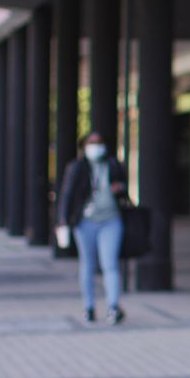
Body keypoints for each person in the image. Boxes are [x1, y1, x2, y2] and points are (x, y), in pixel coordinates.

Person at [57, 132, 127, 325]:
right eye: (91, 143)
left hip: (111, 220)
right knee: (87, 265)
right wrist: (62, 220)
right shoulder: (77, 168)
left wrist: (119, 188)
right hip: (85, 222)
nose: (96, 147)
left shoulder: (113, 165)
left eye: (99, 143)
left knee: (110, 264)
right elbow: (67, 195)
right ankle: (89, 307)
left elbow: (125, 190)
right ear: (84, 147)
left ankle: (113, 306)